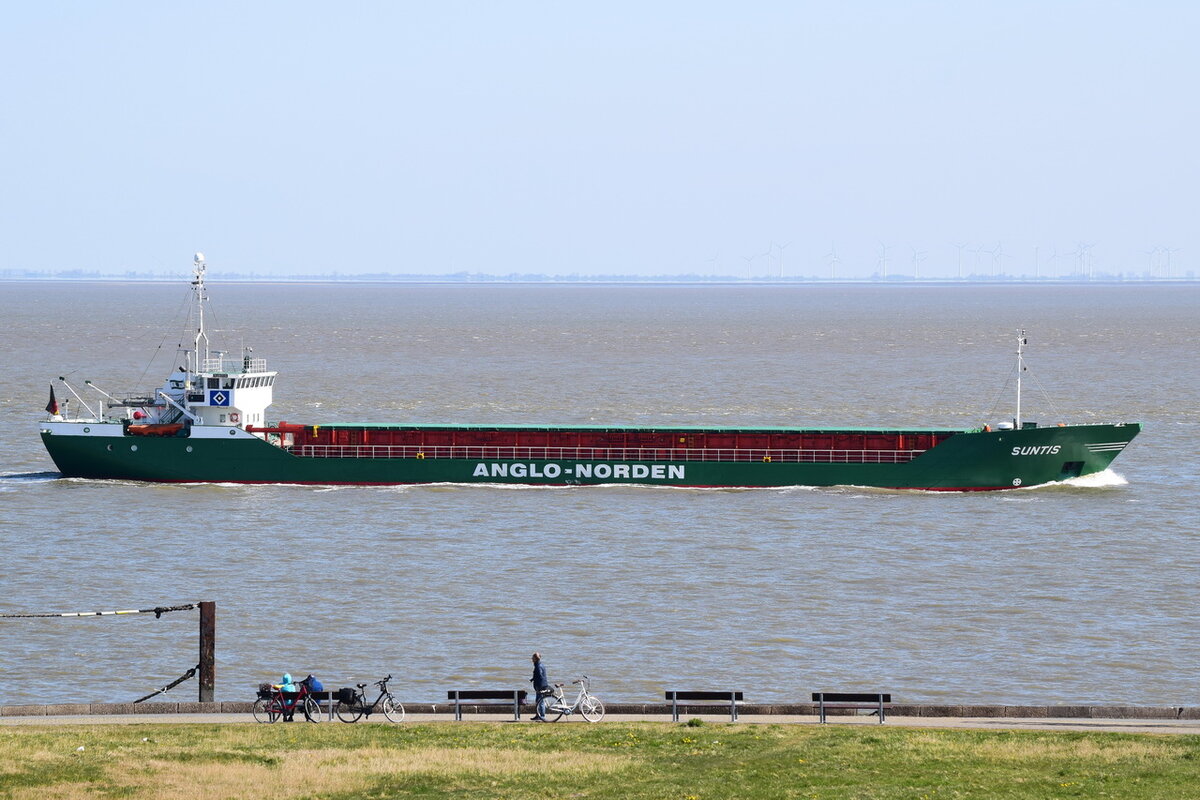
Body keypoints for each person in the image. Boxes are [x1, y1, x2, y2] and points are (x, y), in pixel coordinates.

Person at [530, 652, 551, 721]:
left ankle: (542, 716)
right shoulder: (540, 664)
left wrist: (536, 681)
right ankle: (538, 715)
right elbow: (539, 675)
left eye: (532, 658)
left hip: (540, 686)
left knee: (540, 701)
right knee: (538, 701)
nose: (531, 659)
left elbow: (540, 675)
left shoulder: (538, 666)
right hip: (542, 685)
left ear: (535, 659)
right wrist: (533, 679)